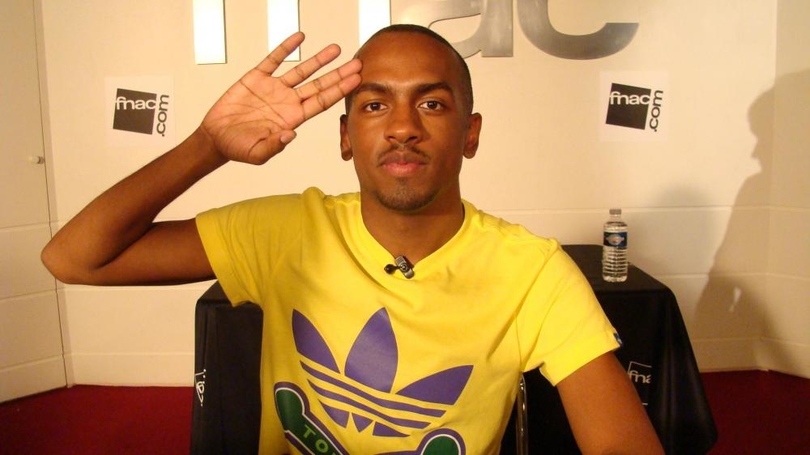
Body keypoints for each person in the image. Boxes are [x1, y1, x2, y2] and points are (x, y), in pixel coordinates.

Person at [42, 24, 663, 454]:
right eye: (373, 106)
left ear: (470, 134)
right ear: (344, 137)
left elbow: (621, 442)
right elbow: (72, 258)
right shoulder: (285, 230)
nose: (402, 127)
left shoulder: (533, 271)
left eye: (432, 104)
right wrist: (207, 147)